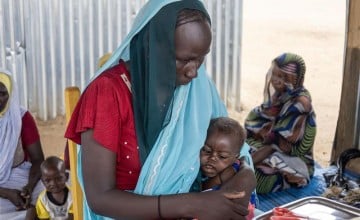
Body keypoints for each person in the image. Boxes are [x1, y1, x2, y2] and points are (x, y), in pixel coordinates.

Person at [65, 0, 255, 219]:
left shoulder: (198, 87)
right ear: (152, 47)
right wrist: (192, 204)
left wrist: (246, 178)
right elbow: (100, 198)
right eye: (184, 60)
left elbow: (237, 150)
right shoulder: (107, 93)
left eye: (201, 57)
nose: (194, 72)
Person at [245, 52, 317, 194]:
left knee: (251, 179)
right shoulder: (281, 95)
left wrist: (245, 165)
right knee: (226, 155)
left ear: (296, 79)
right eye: (275, 74)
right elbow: (259, 126)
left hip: (293, 161)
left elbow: (274, 145)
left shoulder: (300, 104)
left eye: (283, 77)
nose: (276, 80)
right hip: (270, 151)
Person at [0, 69, 45, 220]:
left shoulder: (20, 118)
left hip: (20, 176)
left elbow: (38, 159)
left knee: (59, 190)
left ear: (11, 94)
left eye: (3, 94)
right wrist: (7, 193)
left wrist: (29, 188)